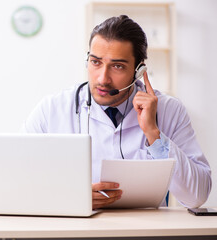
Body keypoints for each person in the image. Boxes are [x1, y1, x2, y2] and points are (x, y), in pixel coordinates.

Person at [21, 15, 211, 209]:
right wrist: (71, 196)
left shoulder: (169, 110)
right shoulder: (52, 109)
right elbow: (18, 181)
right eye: (95, 62)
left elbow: (196, 197)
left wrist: (154, 134)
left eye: (117, 66)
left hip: (144, 233)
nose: (103, 78)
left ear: (139, 70)